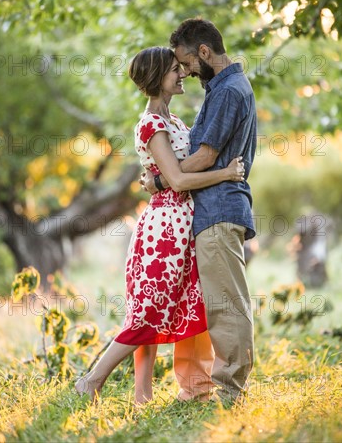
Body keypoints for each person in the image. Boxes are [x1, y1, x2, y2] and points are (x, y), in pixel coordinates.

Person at [75, 46, 245, 404]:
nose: (182, 73)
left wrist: (158, 178)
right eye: (173, 70)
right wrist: (226, 173)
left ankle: (142, 396)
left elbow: (171, 173)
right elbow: (179, 181)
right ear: (156, 78)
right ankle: (92, 380)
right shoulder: (151, 123)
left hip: (183, 226)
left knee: (168, 308)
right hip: (164, 230)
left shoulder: (175, 122)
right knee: (150, 312)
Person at [141, 18, 257, 405]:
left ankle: (230, 391)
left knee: (227, 305)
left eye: (187, 63)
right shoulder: (221, 88)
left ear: (204, 53)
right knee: (218, 304)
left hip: (221, 209)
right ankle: (204, 388)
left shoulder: (226, 92)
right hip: (211, 212)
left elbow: (205, 156)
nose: (186, 72)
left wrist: (161, 179)